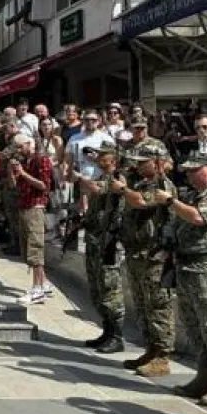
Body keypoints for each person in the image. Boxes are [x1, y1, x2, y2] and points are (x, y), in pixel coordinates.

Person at [152, 150, 207, 407]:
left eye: (193, 170)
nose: (187, 174)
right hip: (186, 266)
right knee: (193, 325)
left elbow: (199, 218)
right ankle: (204, 375)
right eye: (186, 170)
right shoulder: (192, 196)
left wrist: (170, 203)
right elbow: (179, 223)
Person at [110, 145, 176, 376]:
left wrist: (123, 190)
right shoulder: (140, 183)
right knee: (142, 305)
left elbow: (142, 202)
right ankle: (151, 348)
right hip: (137, 253)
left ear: (156, 162)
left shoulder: (162, 185)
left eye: (143, 162)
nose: (138, 166)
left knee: (158, 306)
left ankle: (163, 355)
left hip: (154, 255)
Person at [73, 145, 126, 353]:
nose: (98, 158)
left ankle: (117, 336)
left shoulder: (117, 178)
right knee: (98, 289)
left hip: (110, 241)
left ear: (113, 159)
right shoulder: (102, 175)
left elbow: (98, 189)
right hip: (96, 239)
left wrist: (78, 177)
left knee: (110, 289)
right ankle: (107, 331)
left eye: (103, 155)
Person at [9, 133, 55, 305]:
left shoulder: (41, 159)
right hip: (23, 205)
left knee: (35, 248)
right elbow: (15, 186)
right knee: (27, 248)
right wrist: (13, 172)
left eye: (20, 147)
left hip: (36, 207)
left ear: (29, 143)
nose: (18, 151)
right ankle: (44, 284)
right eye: (16, 148)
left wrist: (23, 173)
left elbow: (44, 186)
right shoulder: (24, 161)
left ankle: (37, 289)